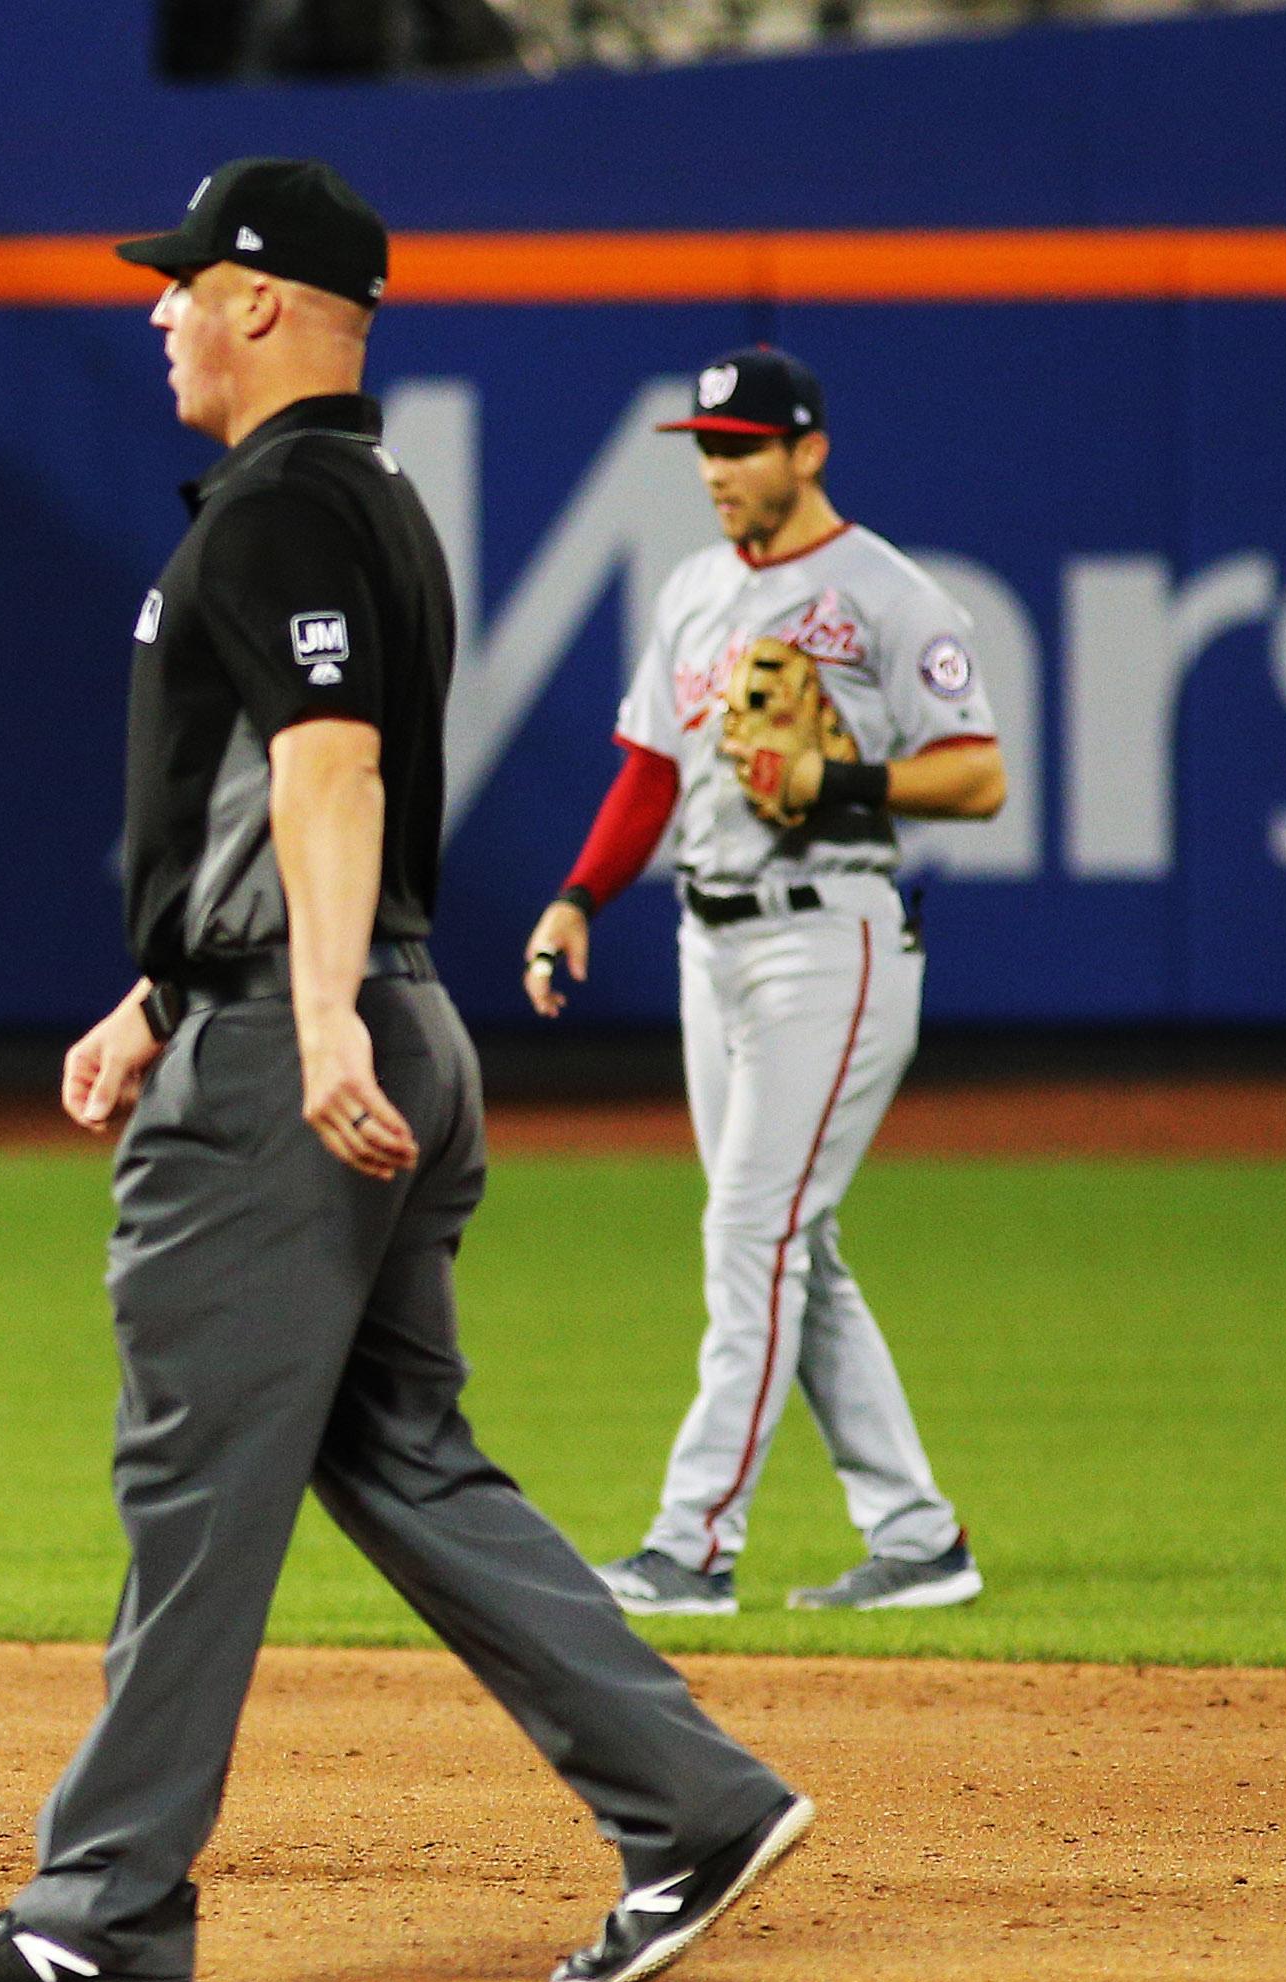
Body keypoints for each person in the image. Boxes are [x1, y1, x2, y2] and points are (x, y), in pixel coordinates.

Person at [0, 159, 808, 1982]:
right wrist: (161, 989)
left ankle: (103, 1900)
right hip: (353, 1007)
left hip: (300, 1051)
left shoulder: (284, 510)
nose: (156, 310)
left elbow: (328, 775)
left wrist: (296, 1024)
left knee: (188, 1475)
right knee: (400, 1453)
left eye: (182, 281)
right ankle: (688, 1800)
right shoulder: (362, 502)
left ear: (267, 302)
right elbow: (276, 798)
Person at [521, 347, 1007, 1617]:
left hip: (828, 937)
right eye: (706, 446)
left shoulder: (890, 596)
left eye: (742, 447)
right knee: (794, 1243)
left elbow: (978, 776)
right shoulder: (690, 590)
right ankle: (920, 1539)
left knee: (751, 1235)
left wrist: (837, 783)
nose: (718, 470)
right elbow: (648, 767)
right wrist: (579, 897)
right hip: (708, 941)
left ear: (809, 451)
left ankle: (691, 1547)